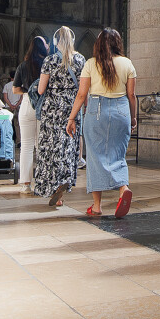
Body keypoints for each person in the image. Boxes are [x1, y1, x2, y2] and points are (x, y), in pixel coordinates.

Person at [67, 28, 137, 218]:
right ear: (118, 43)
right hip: (121, 110)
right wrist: (133, 117)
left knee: (95, 156)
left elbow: (82, 94)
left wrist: (72, 118)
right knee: (118, 154)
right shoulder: (127, 63)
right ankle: (123, 188)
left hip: (97, 111)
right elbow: (131, 95)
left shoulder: (90, 64)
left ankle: (97, 206)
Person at [31, 27, 83, 207]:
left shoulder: (50, 60)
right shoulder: (79, 59)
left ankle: (52, 187)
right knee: (67, 147)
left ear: (55, 42)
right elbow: (83, 89)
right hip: (72, 108)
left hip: (52, 108)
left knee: (50, 149)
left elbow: (41, 89)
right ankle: (64, 180)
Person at [12, 35, 52, 187]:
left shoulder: (23, 65)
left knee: (26, 146)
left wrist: (28, 90)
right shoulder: (47, 65)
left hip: (27, 105)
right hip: (44, 105)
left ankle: (25, 184)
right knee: (41, 145)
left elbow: (15, 89)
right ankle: (42, 182)